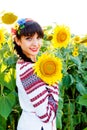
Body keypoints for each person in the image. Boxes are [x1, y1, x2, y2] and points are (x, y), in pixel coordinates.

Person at [11, 18, 59, 130]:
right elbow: (47, 115)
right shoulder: (30, 71)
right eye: (29, 38)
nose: (35, 43)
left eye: (38, 38)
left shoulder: (23, 64)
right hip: (37, 125)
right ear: (18, 41)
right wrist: (54, 82)